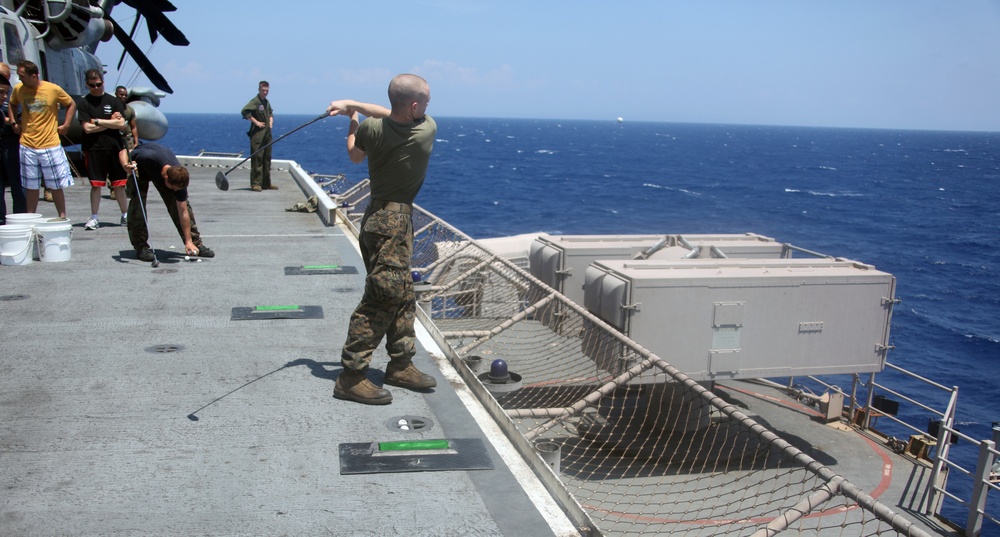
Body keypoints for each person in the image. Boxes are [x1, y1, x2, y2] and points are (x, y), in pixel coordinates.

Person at [326, 74, 437, 405]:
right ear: (416, 106)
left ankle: (400, 364)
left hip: (379, 219)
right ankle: (351, 376)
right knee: (381, 296)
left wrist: (353, 118)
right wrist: (355, 106)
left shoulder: (371, 130)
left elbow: (355, 155)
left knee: (402, 294)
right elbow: (392, 114)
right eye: (426, 103)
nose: (428, 108)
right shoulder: (426, 128)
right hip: (393, 223)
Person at [120, 142, 214, 262]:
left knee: (180, 203)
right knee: (138, 206)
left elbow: (183, 212)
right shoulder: (146, 155)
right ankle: (141, 247)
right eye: (174, 188)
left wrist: (188, 241)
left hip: (160, 170)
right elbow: (123, 152)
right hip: (141, 168)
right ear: (166, 178)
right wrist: (125, 166)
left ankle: (195, 244)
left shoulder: (179, 177)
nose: (176, 191)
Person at [7, 60, 75, 220]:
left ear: (34, 75)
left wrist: (66, 125)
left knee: (56, 185)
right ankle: (31, 217)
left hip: (50, 143)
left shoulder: (52, 89)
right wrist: (13, 122)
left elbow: (71, 103)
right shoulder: (19, 89)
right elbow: (12, 104)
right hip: (27, 144)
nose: (19, 78)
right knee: (31, 185)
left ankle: (62, 216)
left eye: (22, 75)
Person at [77, 69, 128, 229]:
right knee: (96, 185)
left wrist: (98, 121)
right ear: (87, 85)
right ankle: (94, 217)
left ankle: (125, 215)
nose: (96, 88)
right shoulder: (84, 103)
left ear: (103, 82)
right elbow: (87, 129)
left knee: (119, 184)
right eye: (92, 85)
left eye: (98, 84)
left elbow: (121, 124)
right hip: (94, 149)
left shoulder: (113, 101)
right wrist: (108, 123)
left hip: (114, 147)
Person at [0, 62, 25, 224]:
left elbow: (19, 118)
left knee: (18, 184)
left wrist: (12, 121)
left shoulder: (14, 94)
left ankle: (20, 219)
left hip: (11, 143)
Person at [240, 80, 275, 191]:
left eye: (267, 91)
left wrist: (270, 121)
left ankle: (266, 183)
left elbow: (270, 112)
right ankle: (256, 183)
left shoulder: (266, 102)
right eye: (263, 90)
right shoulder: (255, 101)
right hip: (258, 134)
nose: (265, 92)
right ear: (259, 89)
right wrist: (256, 122)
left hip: (267, 134)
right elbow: (245, 111)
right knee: (257, 158)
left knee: (267, 158)